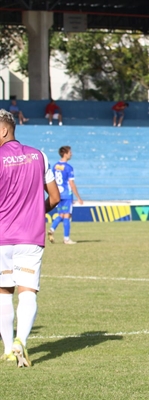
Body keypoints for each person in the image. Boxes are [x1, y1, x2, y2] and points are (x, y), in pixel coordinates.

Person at [0, 109, 60, 367]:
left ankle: (6, 348)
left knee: (3, 292)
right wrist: (36, 213)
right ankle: (20, 341)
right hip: (30, 236)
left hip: (1, 236)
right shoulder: (40, 155)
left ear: (3, 130)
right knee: (28, 291)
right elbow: (55, 198)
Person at [47, 146, 84, 245]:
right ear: (65, 153)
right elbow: (71, 184)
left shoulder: (55, 166)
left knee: (61, 215)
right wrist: (79, 197)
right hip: (67, 194)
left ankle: (52, 228)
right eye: (69, 152)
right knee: (67, 215)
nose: (71, 154)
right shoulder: (68, 167)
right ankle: (66, 239)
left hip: (58, 194)